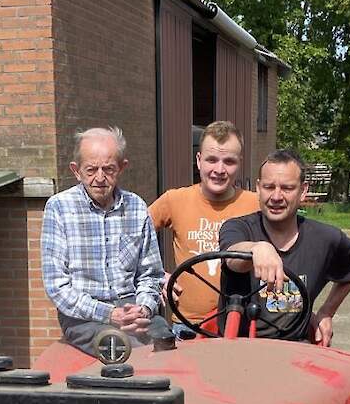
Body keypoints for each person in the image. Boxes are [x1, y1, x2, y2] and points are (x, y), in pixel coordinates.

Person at [41, 125, 170, 352]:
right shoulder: (59, 208)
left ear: (122, 167)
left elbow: (151, 274)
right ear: (76, 170)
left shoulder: (137, 207)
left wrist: (144, 309)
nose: (99, 178)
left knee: (165, 340)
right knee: (119, 346)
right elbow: (57, 287)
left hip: (132, 307)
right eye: (91, 170)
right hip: (84, 316)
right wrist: (110, 314)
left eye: (108, 169)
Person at [219, 149, 350, 345]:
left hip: (296, 351)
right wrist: (256, 249)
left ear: (303, 191)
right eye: (269, 187)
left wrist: (327, 311)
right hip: (236, 348)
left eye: (287, 188)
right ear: (259, 189)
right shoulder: (238, 228)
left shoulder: (325, 238)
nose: (276, 196)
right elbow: (231, 258)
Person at [148, 120, 257, 329]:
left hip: (241, 323)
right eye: (212, 159)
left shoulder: (256, 204)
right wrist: (156, 275)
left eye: (229, 161)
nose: (219, 169)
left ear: (240, 163)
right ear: (199, 161)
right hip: (187, 325)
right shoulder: (175, 200)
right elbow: (131, 237)